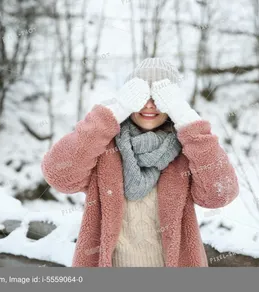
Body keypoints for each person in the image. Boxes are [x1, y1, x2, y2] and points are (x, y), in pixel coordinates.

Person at [41, 58, 239, 267]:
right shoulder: (104, 144)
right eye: (142, 95)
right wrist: (115, 110)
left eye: (159, 97)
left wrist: (187, 119)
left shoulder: (187, 148)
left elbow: (220, 194)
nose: (149, 104)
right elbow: (59, 176)